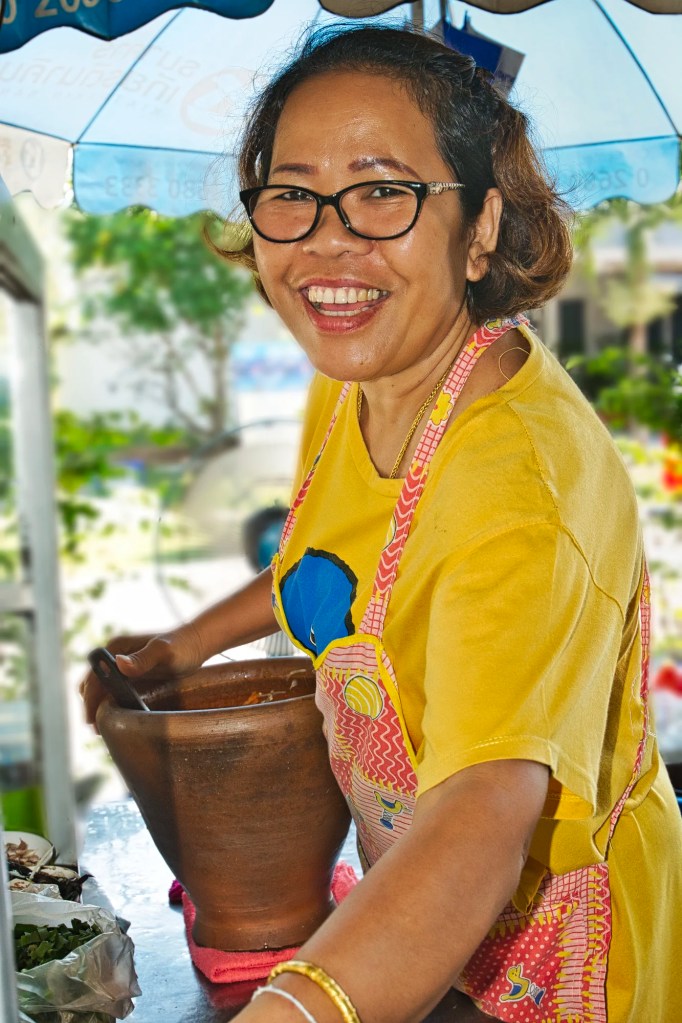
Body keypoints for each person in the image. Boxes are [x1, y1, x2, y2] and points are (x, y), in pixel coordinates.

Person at [80, 25, 682, 1023]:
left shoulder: (516, 488)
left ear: (480, 226)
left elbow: (484, 808)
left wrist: (297, 1010)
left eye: (381, 190)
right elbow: (326, 559)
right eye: (292, 192)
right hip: (420, 913)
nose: (327, 238)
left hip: (555, 945)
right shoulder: (371, 371)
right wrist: (182, 648)